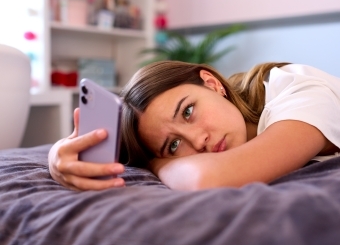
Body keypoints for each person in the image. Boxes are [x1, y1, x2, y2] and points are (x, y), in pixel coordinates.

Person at [48, 61, 340, 191]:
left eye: (187, 112)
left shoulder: (297, 90)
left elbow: (207, 180)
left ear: (213, 84)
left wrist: (157, 162)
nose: (198, 141)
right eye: (173, 145)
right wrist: (55, 157)